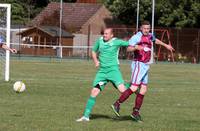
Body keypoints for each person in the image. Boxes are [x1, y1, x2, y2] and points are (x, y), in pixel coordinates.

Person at [111, 21, 174, 122]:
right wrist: (137, 47)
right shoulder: (137, 37)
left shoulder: (150, 36)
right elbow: (128, 48)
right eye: (144, 28)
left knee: (143, 89)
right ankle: (117, 104)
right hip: (138, 64)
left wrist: (166, 45)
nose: (146, 30)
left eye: (148, 29)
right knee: (134, 87)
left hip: (145, 65)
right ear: (141, 28)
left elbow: (155, 40)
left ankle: (135, 112)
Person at [76, 28, 129, 122]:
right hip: (102, 73)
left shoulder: (116, 42)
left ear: (112, 35)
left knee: (123, 91)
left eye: (106, 34)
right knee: (94, 92)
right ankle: (86, 116)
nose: (104, 35)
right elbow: (93, 51)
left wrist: (139, 43)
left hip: (113, 71)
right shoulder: (100, 41)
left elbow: (129, 44)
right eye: (104, 33)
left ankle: (132, 86)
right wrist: (96, 61)